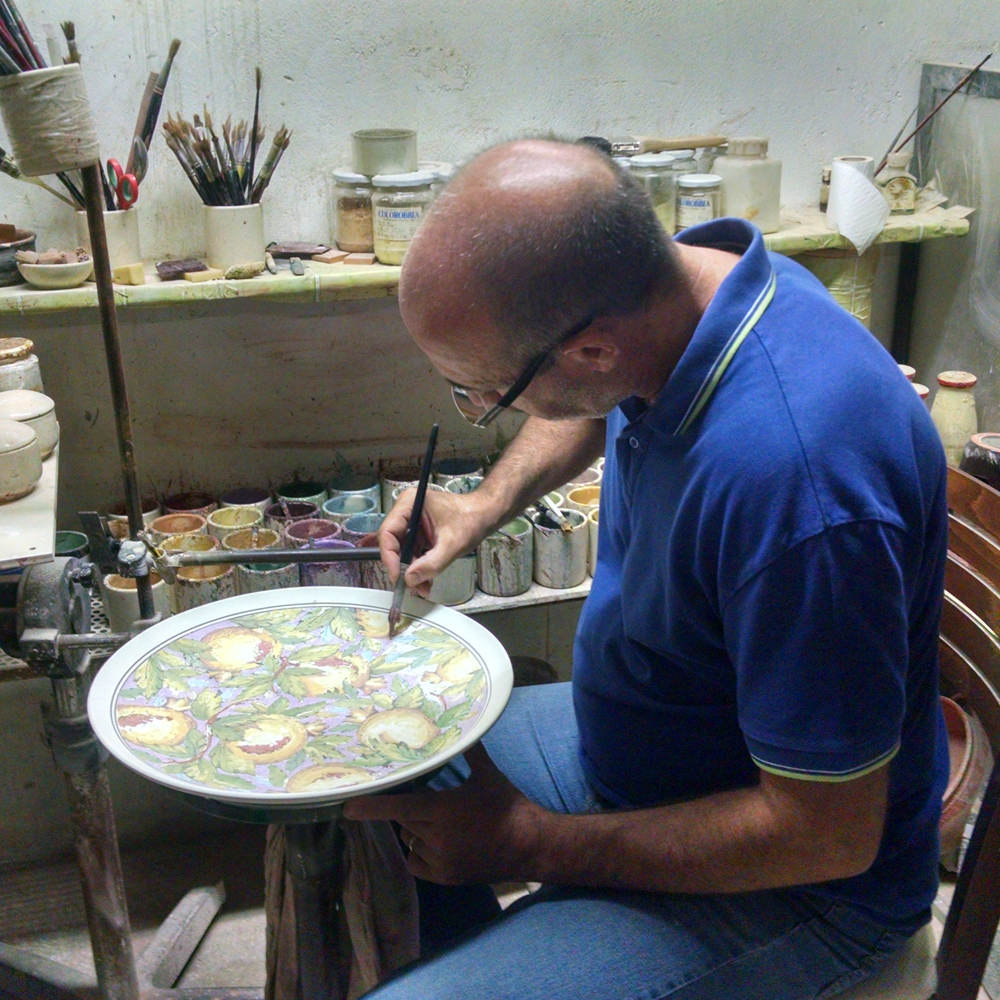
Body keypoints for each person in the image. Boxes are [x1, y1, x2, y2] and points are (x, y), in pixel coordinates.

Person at [343, 139, 949, 1000]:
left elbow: (825, 836)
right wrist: (481, 505)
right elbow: (595, 405)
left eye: (483, 393)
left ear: (590, 351)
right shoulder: (690, 286)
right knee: (366, 763)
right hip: (637, 745)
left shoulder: (800, 485)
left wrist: (526, 841)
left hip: (802, 887)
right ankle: (481, 952)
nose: (477, 410)